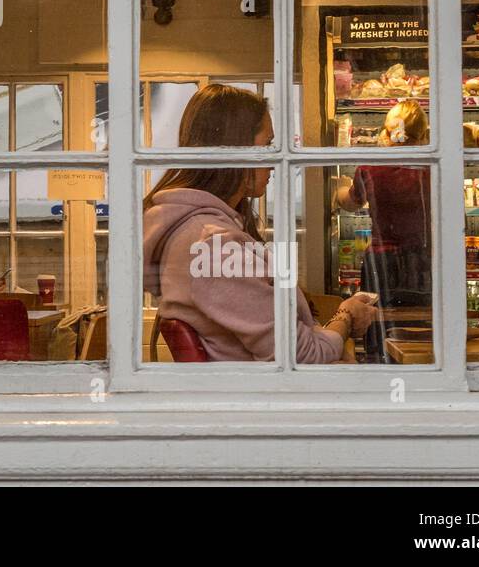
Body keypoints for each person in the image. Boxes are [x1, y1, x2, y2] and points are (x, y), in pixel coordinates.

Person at [143, 84, 376, 363]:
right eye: (267, 145)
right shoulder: (213, 246)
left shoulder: (199, 233)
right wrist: (347, 317)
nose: (274, 161)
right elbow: (302, 357)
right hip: (262, 400)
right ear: (235, 150)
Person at [333, 100, 432, 362]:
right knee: (424, 329)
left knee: (378, 325)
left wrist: (339, 190)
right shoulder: (433, 168)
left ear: (386, 133)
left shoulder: (370, 167)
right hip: (424, 261)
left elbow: (352, 201)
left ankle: (381, 370)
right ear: (424, 134)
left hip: (381, 262)